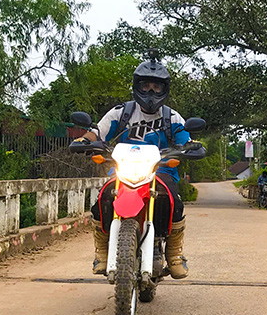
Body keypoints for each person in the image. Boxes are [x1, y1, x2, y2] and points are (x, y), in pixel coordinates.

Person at [71, 55, 194, 278]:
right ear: (136, 86)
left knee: (174, 201)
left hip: (161, 170)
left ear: (164, 89)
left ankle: (174, 254)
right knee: (103, 198)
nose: (150, 91)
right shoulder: (121, 112)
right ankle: (101, 251)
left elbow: (186, 138)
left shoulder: (172, 116)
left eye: (156, 86)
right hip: (122, 169)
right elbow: (99, 131)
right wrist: (85, 140)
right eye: (145, 85)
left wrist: (191, 146)